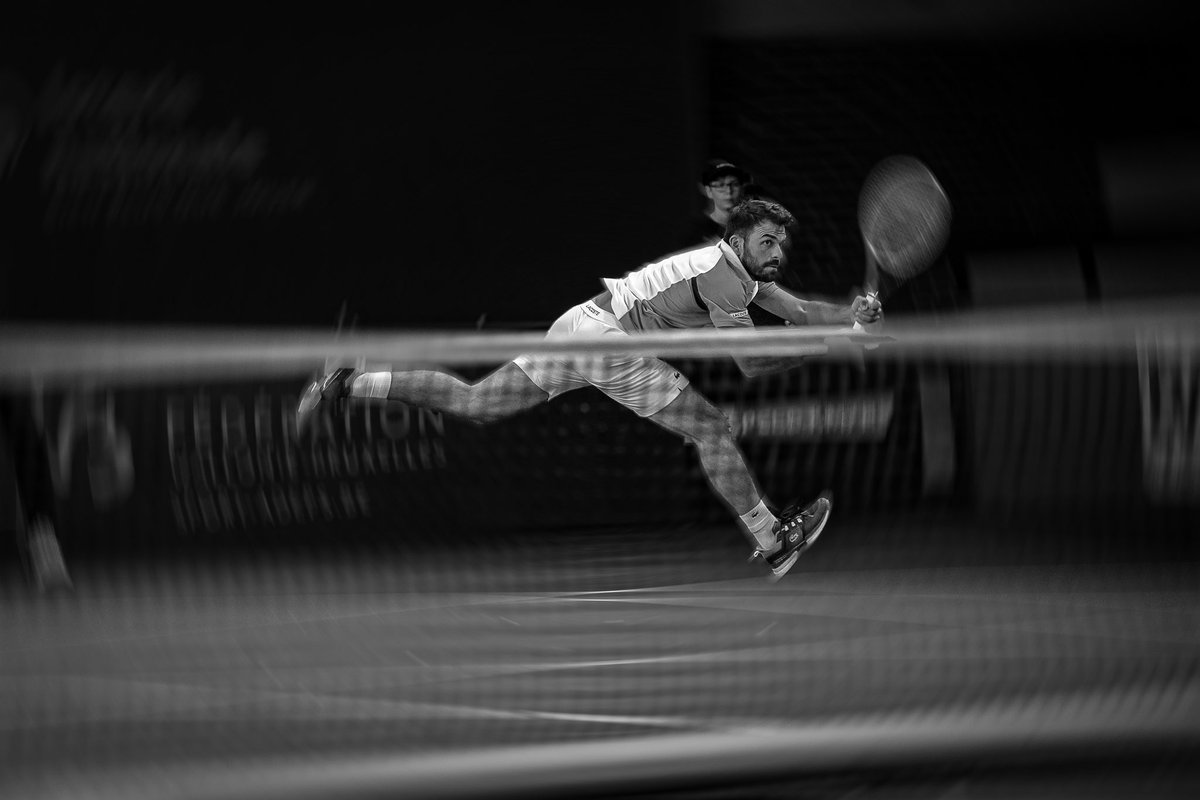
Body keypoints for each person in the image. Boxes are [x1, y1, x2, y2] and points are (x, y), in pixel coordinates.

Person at [296, 199, 882, 579]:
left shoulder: (743, 274)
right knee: (710, 426)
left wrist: (850, 317)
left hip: (579, 323)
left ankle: (347, 382)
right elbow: (753, 367)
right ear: (740, 239)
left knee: (477, 403)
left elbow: (801, 310)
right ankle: (771, 538)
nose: (778, 252)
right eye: (768, 242)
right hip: (609, 341)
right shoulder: (724, 278)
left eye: (782, 243)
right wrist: (835, 345)